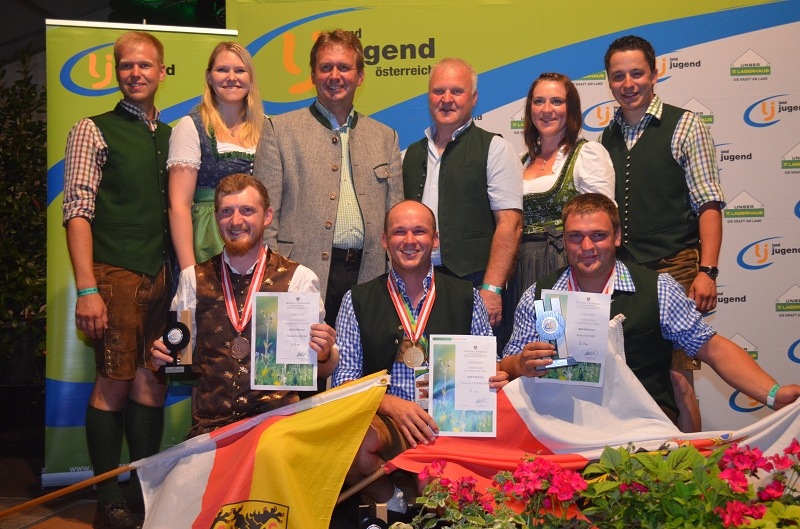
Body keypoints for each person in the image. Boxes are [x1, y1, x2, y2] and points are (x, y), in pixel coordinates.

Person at [501, 194, 800, 423]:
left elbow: (712, 348)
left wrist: (773, 394)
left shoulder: (658, 288)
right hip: (565, 425)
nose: (587, 246)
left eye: (598, 235)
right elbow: (506, 365)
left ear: (617, 236)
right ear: (564, 240)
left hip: (643, 425)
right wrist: (520, 365)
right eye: (575, 236)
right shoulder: (538, 295)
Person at [332, 200, 508, 519]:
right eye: (399, 232)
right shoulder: (357, 299)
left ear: (435, 239)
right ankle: (392, 503)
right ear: (385, 240)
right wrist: (389, 404)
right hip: (387, 421)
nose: (409, 240)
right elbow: (344, 381)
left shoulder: (467, 296)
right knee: (347, 444)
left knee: (439, 498)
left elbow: (489, 364)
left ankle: (425, 502)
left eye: (419, 231)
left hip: (447, 423)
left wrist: (495, 375)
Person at [62, 31, 172, 529]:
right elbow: (77, 211)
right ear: (117, 72)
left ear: (161, 72)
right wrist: (88, 288)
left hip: (163, 277)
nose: (136, 73)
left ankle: (141, 493)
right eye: (127, 65)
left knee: (152, 382)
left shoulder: (172, 135)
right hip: (115, 275)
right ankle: (108, 498)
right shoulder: (92, 129)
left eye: (145, 65)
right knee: (113, 383)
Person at [600, 35, 725, 433]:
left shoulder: (685, 124)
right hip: (626, 274)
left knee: (677, 379)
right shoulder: (607, 135)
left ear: (655, 74)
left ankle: (692, 467)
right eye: (618, 76)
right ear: (608, 80)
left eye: (637, 73)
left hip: (677, 265)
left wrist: (708, 271)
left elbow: (709, 204)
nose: (628, 84)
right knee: (632, 379)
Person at [152, 174, 337, 437]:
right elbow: (180, 358)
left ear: (267, 216)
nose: (236, 221)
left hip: (276, 430)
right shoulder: (193, 278)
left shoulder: (299, 279)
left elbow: (325, 368)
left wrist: (324, 353)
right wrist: (163, 358)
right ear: (216, 218)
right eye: (227, 211)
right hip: (212, 430)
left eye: (247, 211)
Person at [254, 29, 403, 329]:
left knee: (363, 358)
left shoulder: (385, 137)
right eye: (326, 67)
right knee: (304, 356)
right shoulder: (279, 131)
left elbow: (396, 217)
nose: (335, 76)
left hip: (369, 275)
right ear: (313, 75)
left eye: (344, 67)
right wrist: (276, 277)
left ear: (360, 76)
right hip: (299, 274)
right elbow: (264, 218)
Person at [402, 57, 523, 330]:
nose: (447, 99)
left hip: (475, 284)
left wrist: (492, 288)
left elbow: (510, 225)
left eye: (457, 91)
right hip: (419, 284)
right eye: (438, 91)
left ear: (474, 98)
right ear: (429, 96)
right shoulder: (411, 154)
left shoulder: (495, 148)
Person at [501, 72, 614, 344]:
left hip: (562, 267)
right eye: (539, 101)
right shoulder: (520, 161)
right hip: (519, 269)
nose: (547, 109)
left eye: (556, 101)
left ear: (570, 108)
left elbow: (603, 221)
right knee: (525, 348)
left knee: (562, 350)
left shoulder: (586, 154)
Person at [168, 42, 265, 270]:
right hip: (207, 240)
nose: (231, 77)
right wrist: (189, 271)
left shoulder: (266, 127)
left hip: (255, 238)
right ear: (209, 77)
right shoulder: (191, 126)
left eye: (240, 70)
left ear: (250, 78)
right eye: (222, 70)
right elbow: (179, 205)